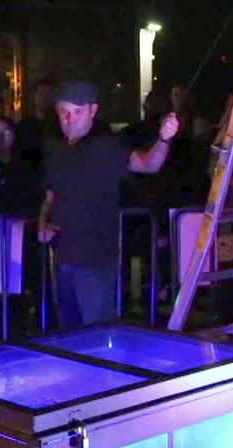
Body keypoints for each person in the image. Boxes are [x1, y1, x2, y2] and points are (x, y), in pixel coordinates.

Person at [38, 80, 179, 329]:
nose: (69, 119)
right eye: (63, 112)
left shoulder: (107, 147)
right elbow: (51, 195)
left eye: (77, 111)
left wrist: (164, 139)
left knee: (96, 333)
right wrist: (43, 221)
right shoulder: (56, 150)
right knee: (68, 334)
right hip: (62, 258)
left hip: (96, 261)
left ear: (92, 111)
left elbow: (149, 164)